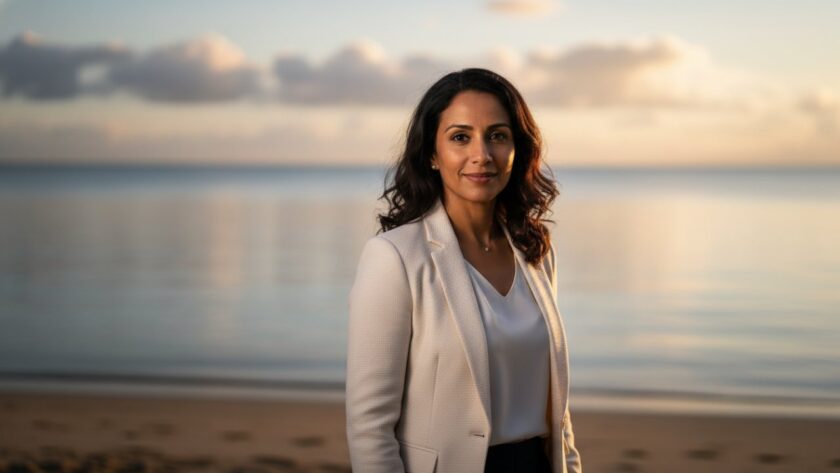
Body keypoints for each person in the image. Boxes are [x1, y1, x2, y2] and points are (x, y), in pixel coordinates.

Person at [346, 68, 582, 473]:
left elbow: (558, 413)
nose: (482, 155)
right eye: (460, 137)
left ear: (517, 149)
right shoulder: (394, 257)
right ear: (432, 155)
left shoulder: (536, 252)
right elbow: (369, 426)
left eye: (497, 135)